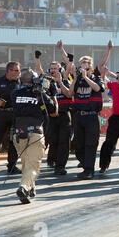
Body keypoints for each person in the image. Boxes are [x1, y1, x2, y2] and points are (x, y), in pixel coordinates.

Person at [11, 68, 58, 204]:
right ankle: (24, 188)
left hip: (18, 133)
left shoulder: (15, 93)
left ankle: (31, 187)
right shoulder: (40, 94)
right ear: (35, 80)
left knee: (26, 163)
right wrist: (47, 93)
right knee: (33, 166)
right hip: (35, 133)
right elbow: (54, 112)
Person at [66, 43, 111, 179]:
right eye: (81, 64)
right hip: (79, 116)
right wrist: (75, 78)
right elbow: (70, 93)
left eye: (85, 63)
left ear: (90, 66)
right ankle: (85, 164)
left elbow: (97, 89)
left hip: (91, 116)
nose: (83, 66)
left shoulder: (95, 77)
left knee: (90, 144)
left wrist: (86, 77)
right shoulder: (78, 78)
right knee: (79, 145)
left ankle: (89, 170)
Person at [35, 47, 73, 176]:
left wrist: (60, 82)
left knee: (64, 141)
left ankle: (60, 166)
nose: (53, 70)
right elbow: (39, 70)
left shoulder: (66, 80)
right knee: (52, 139)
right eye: (51, 68)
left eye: (55, 68)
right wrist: (37, 58)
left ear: (60, 69)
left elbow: (69, 94)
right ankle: (51, 160)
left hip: (64, 115)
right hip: (51, 116)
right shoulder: (46, 81)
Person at [0, 61, 21, 174]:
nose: (19, 72)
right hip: (2, 113)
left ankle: (12, 166)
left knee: (13, 141)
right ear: (9, 71)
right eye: (17, 70)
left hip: (15, 114)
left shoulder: (20, 82)